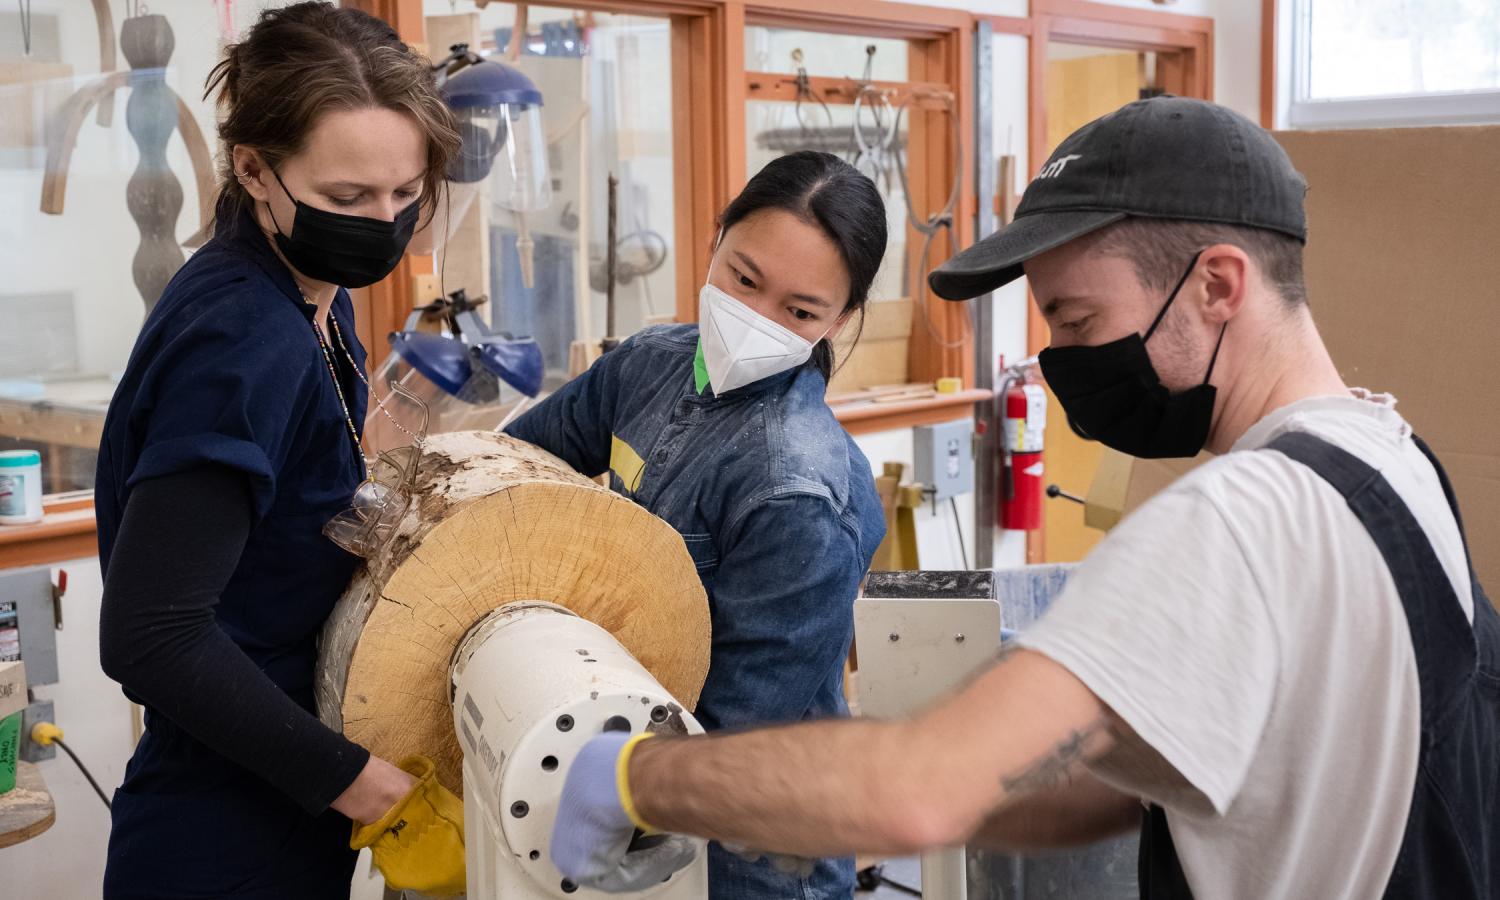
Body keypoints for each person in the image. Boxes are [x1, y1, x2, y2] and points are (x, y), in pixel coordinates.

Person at [549, 97, 1498, 899]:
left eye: (1079, 320)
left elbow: (915, 796)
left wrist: (634, 776)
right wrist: (816, 790)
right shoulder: (1387, 456)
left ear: (1217, 284)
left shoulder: (1233, 521)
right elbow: (1126, 781)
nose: (1065, 361)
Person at [95, 5, 466, 897]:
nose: (383, 222)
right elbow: (151, 638)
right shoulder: (243, 338)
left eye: (404, 193)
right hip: (220, 831)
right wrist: (371, 789)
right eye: (347, 199)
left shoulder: (314, 291)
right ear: (255, 169)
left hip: (284, 800)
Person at [505, 150, 888, 899]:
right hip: (625, 770)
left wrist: (594, 785)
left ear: (839, 320)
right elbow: (517, 463)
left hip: (751, 851)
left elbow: (734, 733)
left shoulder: (797, 494)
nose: (756, 319)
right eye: (744, 279)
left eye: (800, 311)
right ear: (714, 242)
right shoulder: (647, 364)